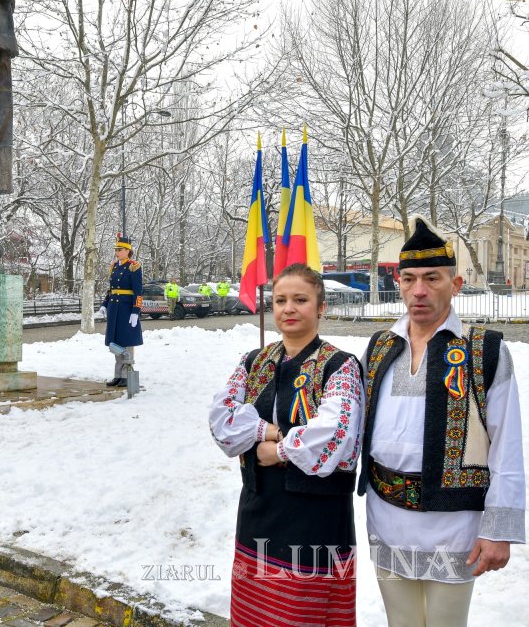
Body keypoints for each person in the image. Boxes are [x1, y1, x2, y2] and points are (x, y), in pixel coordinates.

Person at [359, 216, 525, 627]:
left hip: (454, 526)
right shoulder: (380, 347)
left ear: (456, 284)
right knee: (401, 621)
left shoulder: (484, 352)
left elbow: (508, 446)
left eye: (432, 278)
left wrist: (499, 528)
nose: (419, 290)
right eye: (409, 278)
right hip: (387, 517)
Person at [210, 264, 363, 627]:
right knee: (255, 613)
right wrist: (275, 433)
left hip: (316, 515)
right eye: (280, 300)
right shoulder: (254, 361)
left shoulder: (340, 367)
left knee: (303, 612)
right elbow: (223, 422)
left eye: (300, 300)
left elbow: (333, 435)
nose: (288, 308)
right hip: (259, 505)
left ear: (321, 306)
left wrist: (273, 449)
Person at [98, 235, 143, 388]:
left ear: (127, 251)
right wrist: (105, 304)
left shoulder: (134, 266)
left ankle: (126, 375)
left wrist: (135, 311)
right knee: (115, 343)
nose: (116, 252)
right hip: (114, 309)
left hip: (126, 309)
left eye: (119, 249)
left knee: (127, 342)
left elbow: (138, 291)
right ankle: (118, 375)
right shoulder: (114, 266)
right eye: (116, 249)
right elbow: (111, 289)